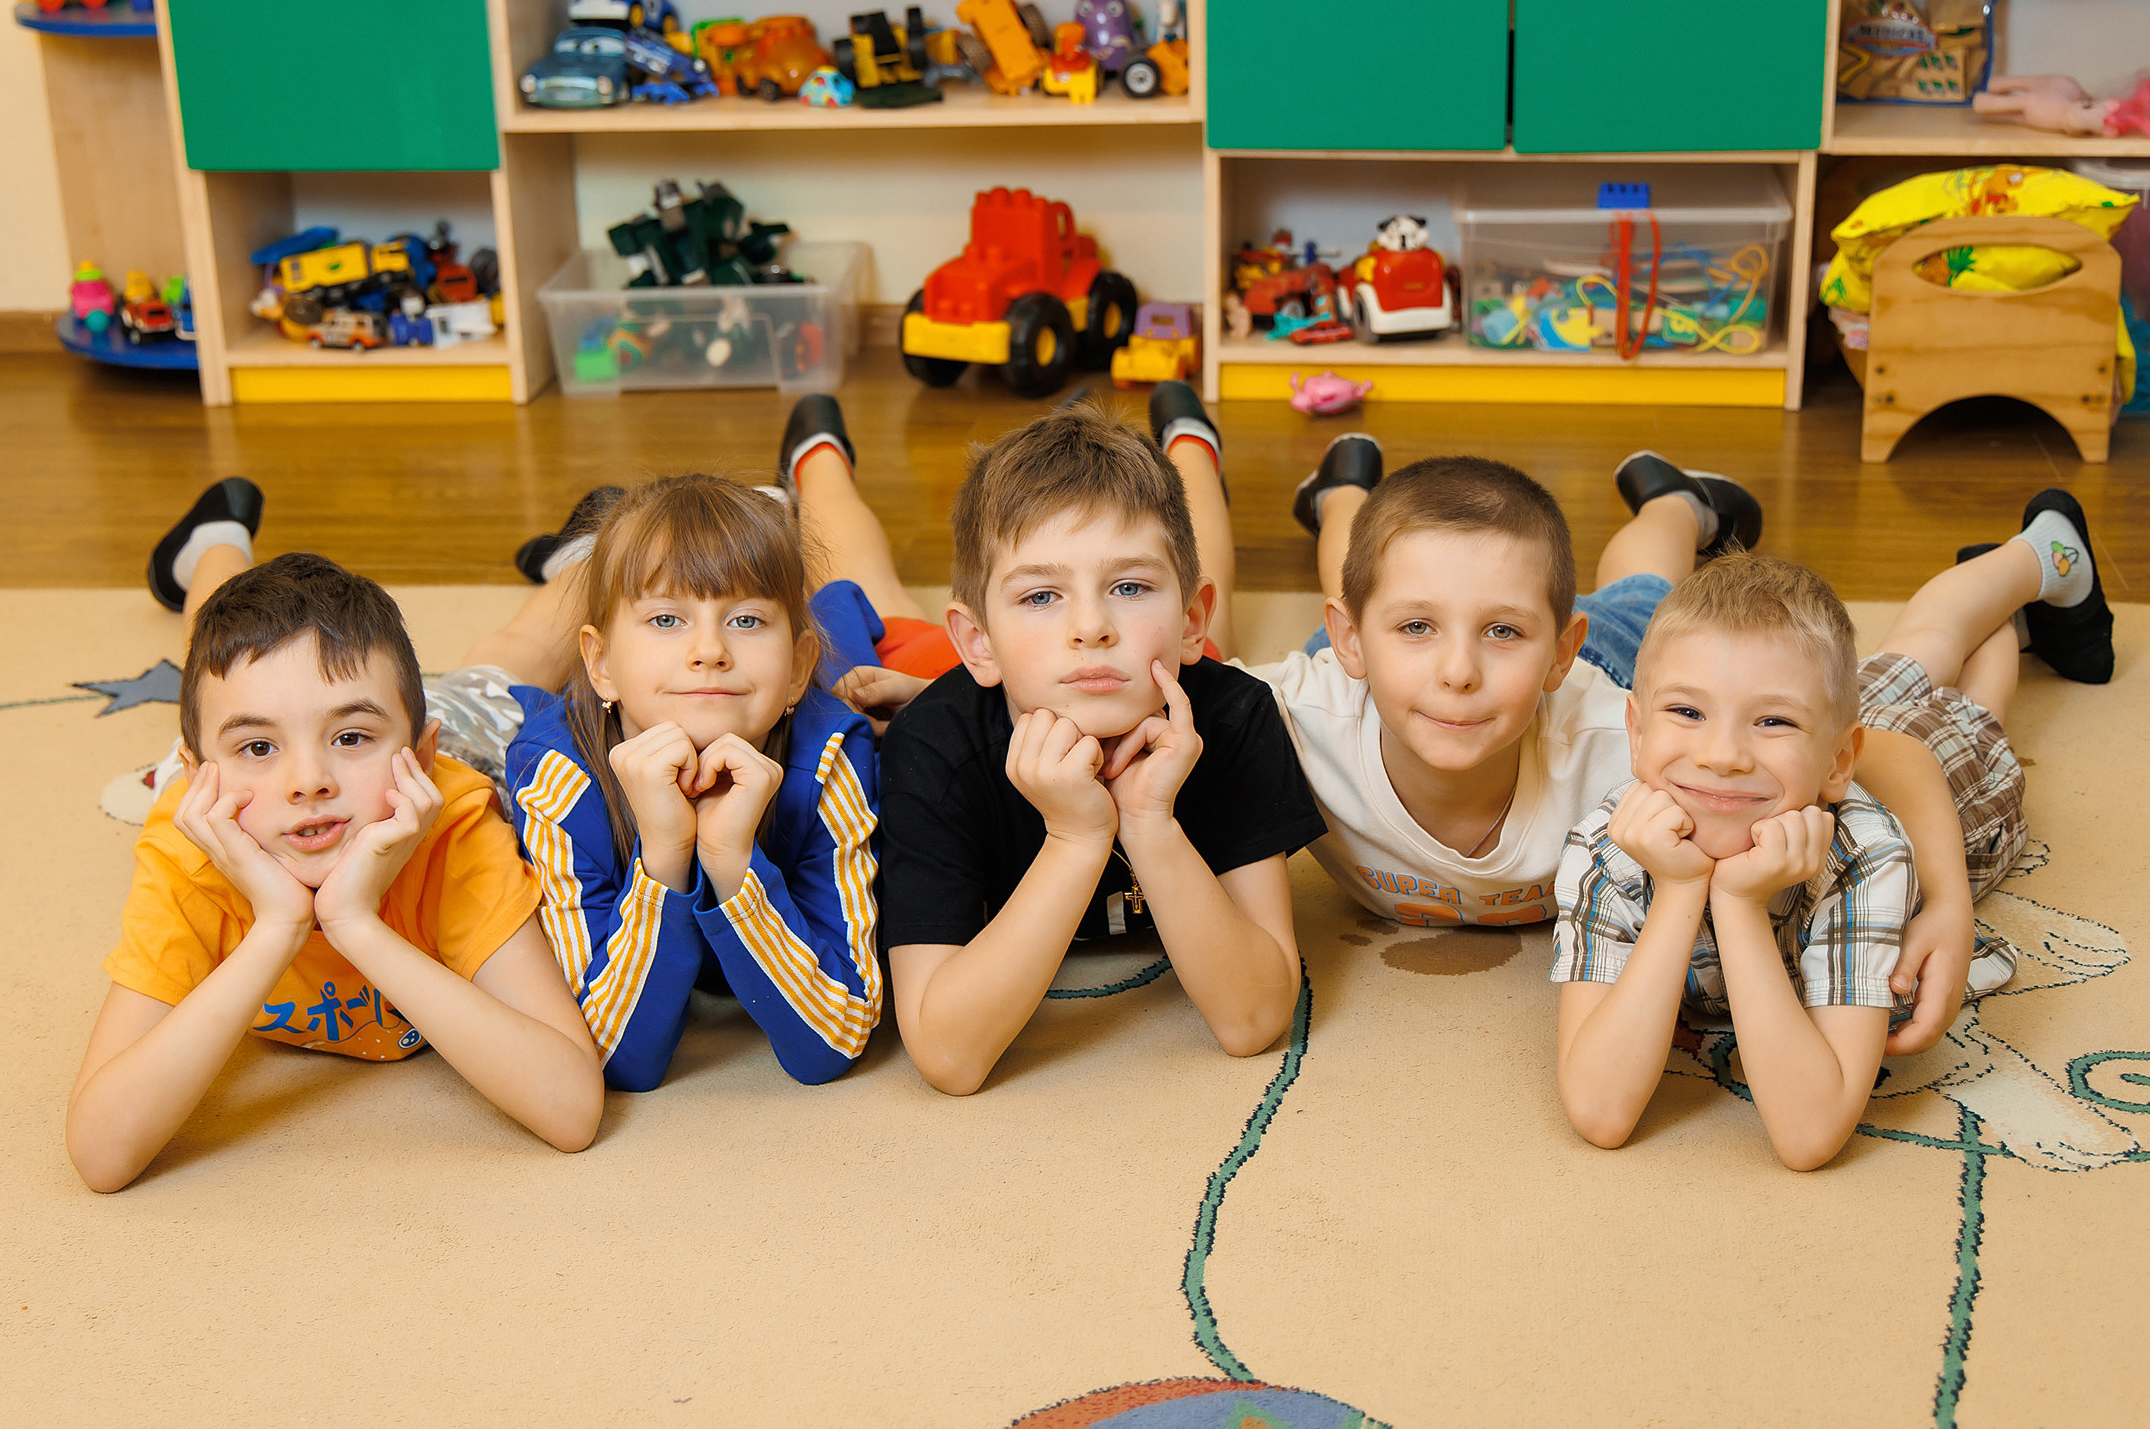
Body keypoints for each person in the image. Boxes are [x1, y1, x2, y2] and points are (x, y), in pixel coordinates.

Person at [1159, 382, 1980, 1056]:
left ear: (1557, 651)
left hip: (1613, 658)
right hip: (1382, 672)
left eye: (1504, 634)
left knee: (1644, 587)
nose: (1458, 671)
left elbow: (1892, 753)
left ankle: (1676, 505)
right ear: (1352, 644)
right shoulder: (1287, 717)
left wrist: (1947, 901)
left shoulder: (1631, 741)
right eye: (1415, 629)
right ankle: (1344, 490)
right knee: (1369, 561)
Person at [68, 480, 605, 1193]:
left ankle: (592, 550)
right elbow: (101, 1154)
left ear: (417, 756)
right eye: (259, 748)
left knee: (508, 660)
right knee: (221, 654)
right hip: (266, 783)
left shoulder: (450, 820)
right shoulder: (192, 840)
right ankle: (213, 540)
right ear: (198, 776)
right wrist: (279, 926)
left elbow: (571, 1109)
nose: (308, 780)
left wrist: (353, 922)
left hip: (436, 746)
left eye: (347, 736)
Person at [1551, 491, 2112, 1170]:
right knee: (1906, 660)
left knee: (1965, 707)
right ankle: (2004, 619)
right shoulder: (1605, 843)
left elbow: (1809, 1133)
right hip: (1815, 740)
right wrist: (1679, 890)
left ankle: (2041, 554)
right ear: (1635, 733)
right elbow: (1600, 1111)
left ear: (1839, 760)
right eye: (1687, 711)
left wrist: (1735, 901)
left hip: (1937, 791)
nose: (1720, 753)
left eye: (1771, 720)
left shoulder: (1864, 854)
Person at [871, 397, 1328, 1096]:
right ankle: (820, 466)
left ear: (1184, 622)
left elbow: (1255, 1017)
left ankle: (1194, 446)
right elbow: (948, 1056)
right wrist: (1075, 837)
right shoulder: (930, 751)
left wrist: (1148, 821)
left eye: (1129, 585)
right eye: (1041, 596)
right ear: (978, 643)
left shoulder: (1234, 717)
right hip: (944, 662)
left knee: (1220, 630)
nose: (1091, 625)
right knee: (873, 601)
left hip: (1165, 663)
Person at [503, 465, 890, 1090]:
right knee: (512, 649)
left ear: (797, 670)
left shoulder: (831, 755)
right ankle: (579, 553)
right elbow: (612, 1058)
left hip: (823, 661)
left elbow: (835, 1040)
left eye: (745, 620)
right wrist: (663, 855)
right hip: (576, 701)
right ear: (600, 665)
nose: (709, 650)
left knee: (865, 616)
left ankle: (818, 462)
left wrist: (731, 861)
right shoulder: (552, 775)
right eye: (666, 620)